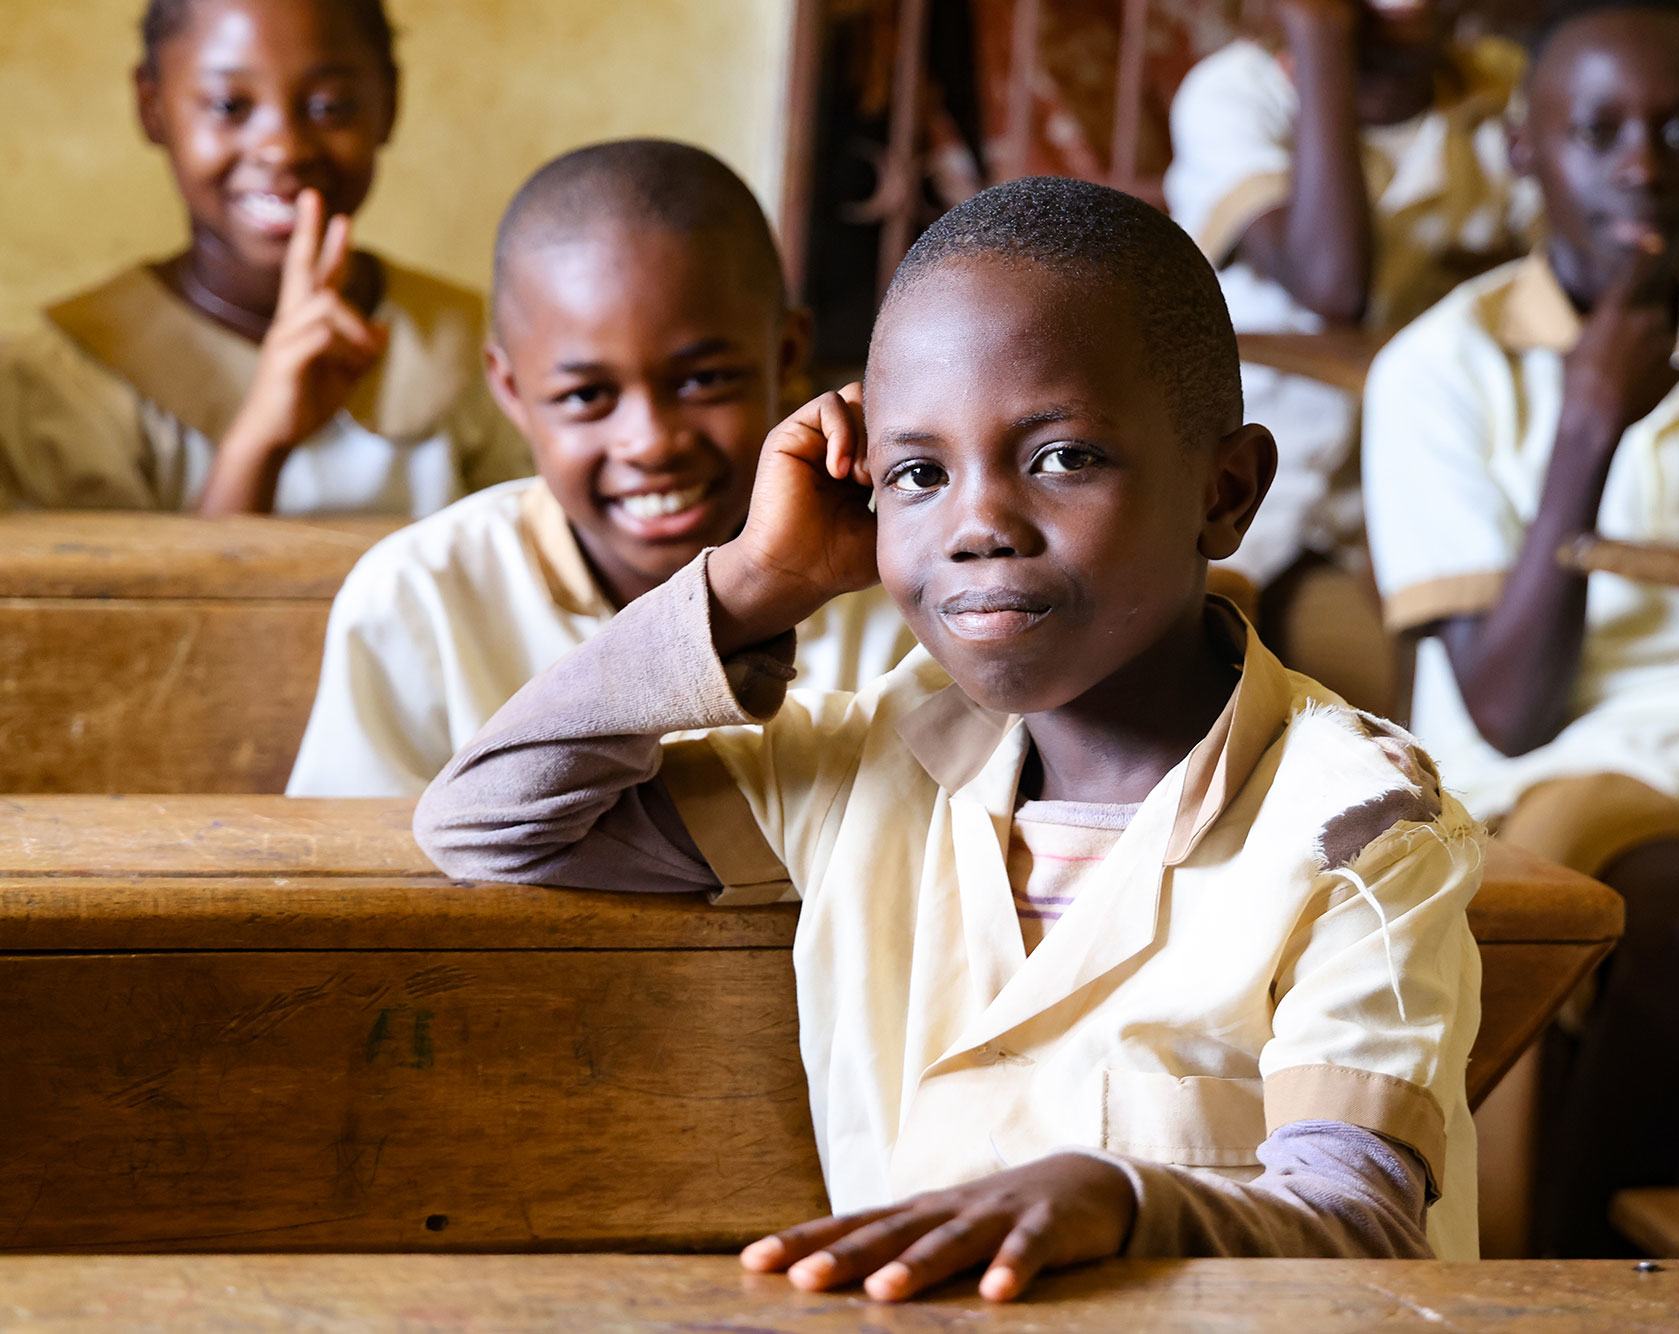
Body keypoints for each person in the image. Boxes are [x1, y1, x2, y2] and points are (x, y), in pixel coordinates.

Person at [416, 177, 1487, 1299]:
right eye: (916, 474)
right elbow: (487, 820)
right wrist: (749, 583)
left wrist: (1123, 1201)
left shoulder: (1355, 829)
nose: (976, 524)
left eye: (1061, 457)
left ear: (1224, 492)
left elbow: (1358, 1230)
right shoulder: (862, 768)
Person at [1360, 0, 1679, 1254]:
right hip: (1551, 775)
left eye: (1678, 127)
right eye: (1596, 130)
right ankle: (1570, 1258)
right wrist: (1586, 430)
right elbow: (1505, 705)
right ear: (1525, 152)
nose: (1642, 163)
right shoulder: (1442, 367)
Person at [286, 140, 914, 796]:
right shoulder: (423, 597)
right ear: (509, 389)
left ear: (785, 358)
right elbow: (357, 877)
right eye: (587, 396)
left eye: (704, 380)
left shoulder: (888, 584)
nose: (650, 443)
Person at [0, 0, 527, 515]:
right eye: (230, 106)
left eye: (330, 105)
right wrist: (260, 441)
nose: (284, 147)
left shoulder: (481, 347)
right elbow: (114, 602)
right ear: (152, 105)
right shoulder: (64, 380)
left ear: (389, 103)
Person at [1163, 0, 1538, 589]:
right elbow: (1331, 285)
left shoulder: (1498, 85)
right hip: (1259, 473)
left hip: (1432, 470)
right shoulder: (1237, 92)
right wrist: (1320, 40)